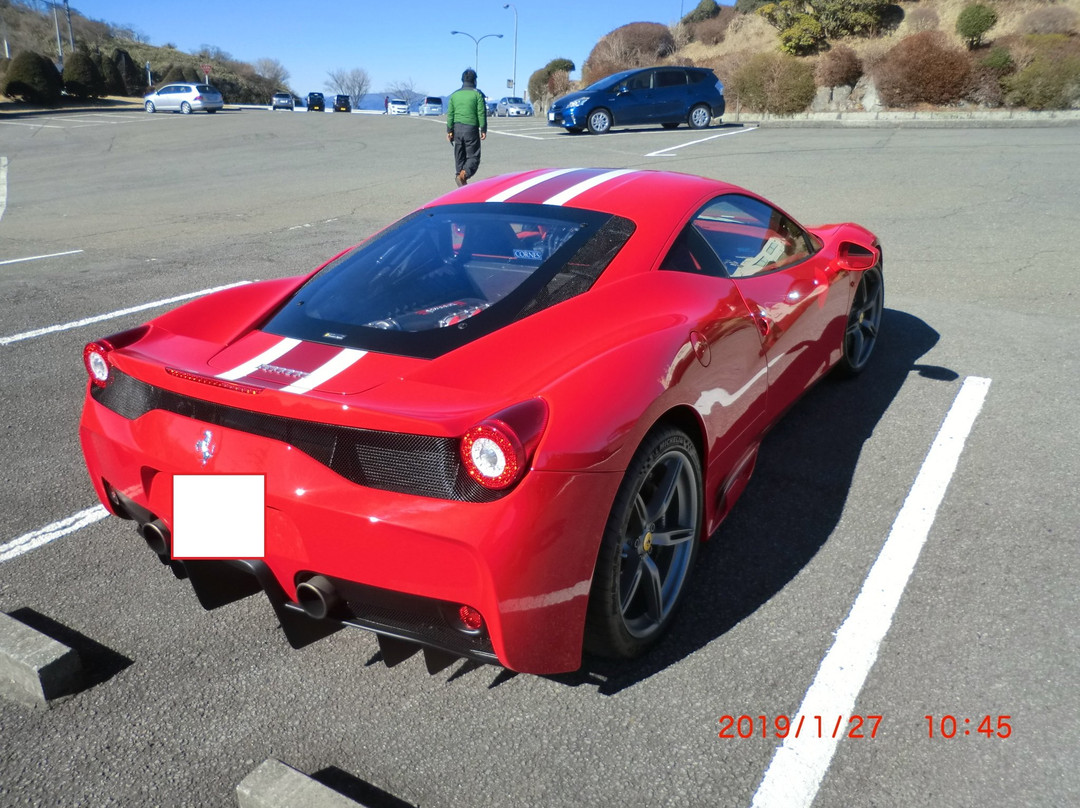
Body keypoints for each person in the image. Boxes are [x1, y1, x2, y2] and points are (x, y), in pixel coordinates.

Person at [446, 68, 487, 187]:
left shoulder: (455, 95)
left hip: (457, 128)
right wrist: (483, 129)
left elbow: (450, 114)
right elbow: (481, 113)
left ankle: (460, 180)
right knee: (473, 156)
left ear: (462, 80)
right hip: (471, 129)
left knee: (460, 155)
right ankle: (463, 175)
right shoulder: (477, 94)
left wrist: (449, 130)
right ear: (475, 80)